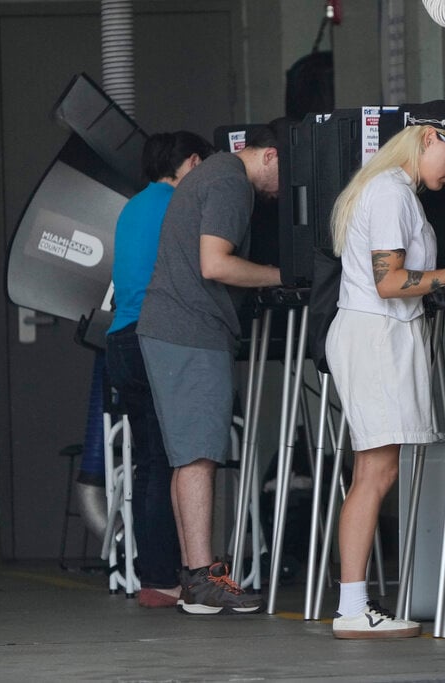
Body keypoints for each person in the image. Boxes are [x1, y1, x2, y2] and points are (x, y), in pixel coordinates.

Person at [137, 120, 285, 615]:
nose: (283, 191)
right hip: (190, 330)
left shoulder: (212, 174)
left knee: (187, 456)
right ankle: (203, 580)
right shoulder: (229, 182)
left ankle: (196, 575)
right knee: (200, 454)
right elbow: (215, 264)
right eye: (287, 173)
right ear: (269, 156)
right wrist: (278, 276)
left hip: (170, 328)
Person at [325, 118, 445, 639]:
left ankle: (355, 605)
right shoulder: (389, 193)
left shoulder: (394, 190)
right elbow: (390, 281)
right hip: (377, 335)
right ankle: (353, 609)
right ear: (429, 139)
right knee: (374, 475)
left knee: (375, 472)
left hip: (380, 335)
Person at [106, 131, 215, 609]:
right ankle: (177, 576)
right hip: (156, 337)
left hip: (120, 340)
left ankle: (157, 578)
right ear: (191, 163)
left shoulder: (133, 206)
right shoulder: (178, 206)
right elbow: (205, 267)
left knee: (150, 459)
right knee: (176, 461)